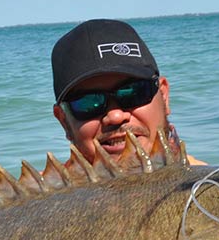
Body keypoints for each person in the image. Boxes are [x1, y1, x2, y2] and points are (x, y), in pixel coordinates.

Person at [51, 18, 204, 165]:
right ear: (64, 121)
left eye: (133, 92)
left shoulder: (212, 186)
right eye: (89, 102)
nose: (115, 116)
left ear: (163, 96)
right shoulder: (41, 192)